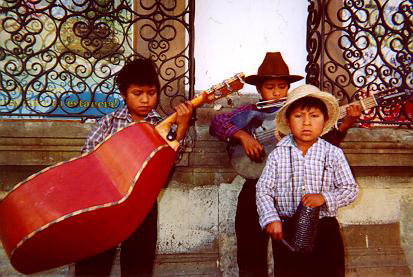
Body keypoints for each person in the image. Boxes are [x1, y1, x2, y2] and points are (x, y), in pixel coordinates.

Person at [209, 52, 361, 276]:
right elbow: (217, 122)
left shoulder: (295, 111)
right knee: (251, 249)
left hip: (294, 197)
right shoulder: (250, 111)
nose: (277, 92)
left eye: (282, 86)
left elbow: (325, 144)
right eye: (270, 87)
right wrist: (243, 135)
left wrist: (345, 124)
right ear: (260, 89)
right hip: (257, 185)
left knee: (297, 258)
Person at [75, 58, 193, 277]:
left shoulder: (161, 125)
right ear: (123, 94)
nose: (145, 100)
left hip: (142, 203)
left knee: (139, 263)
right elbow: (88, 157)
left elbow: (170, 159)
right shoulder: (109, 122)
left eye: (151, 93)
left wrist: (183, 126)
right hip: (104, 202)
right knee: (92, 262)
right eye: (137, 93)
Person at [256, 84, 359, 277]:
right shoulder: (278, 155)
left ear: (325, 120)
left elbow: (350, 189)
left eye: (314, 116)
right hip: (287, 229)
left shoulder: (333, 153)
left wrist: (324, 198)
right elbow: (263, 190)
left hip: (324, 230)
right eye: (298, 116)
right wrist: (271, 219)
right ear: (288, 120)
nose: (306, 123)